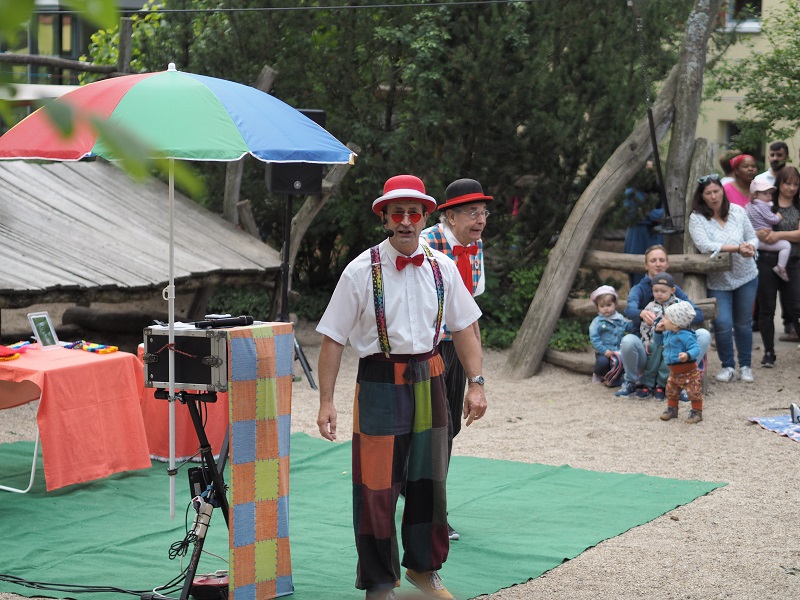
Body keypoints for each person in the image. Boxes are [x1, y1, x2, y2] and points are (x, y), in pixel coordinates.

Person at [316, 174, 486, 600]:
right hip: (378, 381)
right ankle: (378, 582)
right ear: (385, 219)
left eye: (414, 212)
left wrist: (477, 384)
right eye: (398, 212)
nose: (407, 220)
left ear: (426, 216)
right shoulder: (360, 270)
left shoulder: (442, 266)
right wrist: (325, 401)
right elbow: (333, 338)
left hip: (430, 377)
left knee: (429, 480)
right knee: (376, 487)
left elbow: (465, 327)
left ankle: (424, 571)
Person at [419, 177, 491, 542]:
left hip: (454, 346)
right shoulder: (425, 243)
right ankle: (433, 513)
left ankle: (420, 496)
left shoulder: (475, 247)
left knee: (451, 428)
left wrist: (476, 376)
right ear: (449, 216)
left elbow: (471, 314)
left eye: (483, 213)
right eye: (471, 213)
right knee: (436, 430)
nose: (479, 220)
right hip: (424, 347)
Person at [688, 173, 758, 383]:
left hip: (746, 275)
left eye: (716, 191)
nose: (713, 196)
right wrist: (737, 248)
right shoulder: (697, 218)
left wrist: (751, 247)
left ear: (722, 191)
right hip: (719, 280)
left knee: (744, 323)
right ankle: (728, 365)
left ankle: (745, 365)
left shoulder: (737, 210)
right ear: (702, 196)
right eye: (708, 193)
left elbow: (752, 235)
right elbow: (704, 245)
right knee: (723, 323)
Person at [614, 245, 711, 397]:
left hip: (674, 349)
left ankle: (684, 380)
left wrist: (673, 319)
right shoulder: (639, 289)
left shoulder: (674, 289)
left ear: (667, 264)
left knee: (703, 334)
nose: (658, 264)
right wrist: (642, 313)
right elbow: (628, 309)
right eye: (653, 260)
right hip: (647, 348)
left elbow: (696, 313)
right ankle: (631, 381)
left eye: (661, 260)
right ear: (646, 265)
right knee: (628, 341)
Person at [754, 165, 800, 368]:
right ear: (779, 183)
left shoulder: (798, 206)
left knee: (796, 307)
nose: (791, 188)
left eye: (796, 184)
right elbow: (754, 227)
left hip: (793, 262)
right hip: (766, 260)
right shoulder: (767, 204)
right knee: (767, 309)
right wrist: (760, 234)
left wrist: (777, 235)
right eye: (787, 183)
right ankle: (769, 352)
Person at [658, 302, 704, 424]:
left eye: (666, 318)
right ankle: (672, 409)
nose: (663, 320)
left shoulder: (686, 336)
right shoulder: (668, 333)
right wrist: (658, 332)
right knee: (671, 390)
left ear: (675, 323)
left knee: (693, 391)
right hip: (674, 371)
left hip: (688, 371)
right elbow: (658, 343)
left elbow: (696, 349)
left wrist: (687, 355)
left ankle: (697, 411)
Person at [636, 272, 680, 400]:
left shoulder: (678, 305)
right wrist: (645, 340)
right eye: (655, 291)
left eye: (663, 291)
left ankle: (661, 385)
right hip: (654, 340)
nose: (659, 294)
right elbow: (644, 326)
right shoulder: (650, 306)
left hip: (671, 341)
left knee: (665, 364)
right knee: (652, 363)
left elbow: (685, 321)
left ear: (672, 290)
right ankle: (648, 384)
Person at [746, 178, 790, 282]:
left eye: (770, 193)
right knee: (786, 245)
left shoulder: (748, 206)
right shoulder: (762, 205)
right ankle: (781, 267)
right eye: (765, 193)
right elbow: (772, 219)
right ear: (755, 195)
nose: (769, 196)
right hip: (765, 238)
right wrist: (778, 216)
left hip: (754, 239)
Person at [588, 285, 631, 387]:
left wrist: (635, 324)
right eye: (602, 306)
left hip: (617, 350)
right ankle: (598, 374)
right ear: (597, 307)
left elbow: (627, 326)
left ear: (615, 304)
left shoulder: (619, 318)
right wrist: (604, 350)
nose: (605, 309)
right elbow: (595, 339)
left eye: (608, 305)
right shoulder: (597, 322)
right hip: (604, 351)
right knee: (602, 362)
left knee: (621, 362)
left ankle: (615, 377)